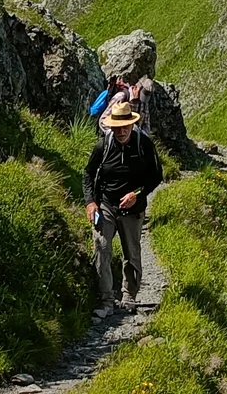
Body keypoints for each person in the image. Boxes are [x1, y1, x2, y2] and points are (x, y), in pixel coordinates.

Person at [83, 96, 162, 314]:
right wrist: (90, 202)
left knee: (132, 254)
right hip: (106, 206)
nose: (121, 132)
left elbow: (156, 176)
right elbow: (88, 173)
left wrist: (137, 194)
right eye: (117, 128)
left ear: (131, 124)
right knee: (101, 246)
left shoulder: (143, 143)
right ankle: (107, 301)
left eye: (124, 127)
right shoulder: (104, 145)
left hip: (133, 210)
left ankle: (129, 297)